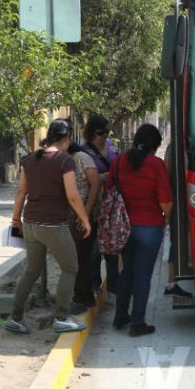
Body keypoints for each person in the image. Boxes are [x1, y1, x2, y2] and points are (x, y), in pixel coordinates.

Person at [5, 119, 91, 335]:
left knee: (31, 270)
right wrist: (85, 219)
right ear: (66, 139)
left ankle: (15, 318)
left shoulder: (30, 159)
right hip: (53, 225)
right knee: (70, 267)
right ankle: (62, 317)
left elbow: (21, 192)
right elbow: (72, 196)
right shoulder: (64, 161)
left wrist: (16, 219)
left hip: (31, 223)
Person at [109, 124, 173, 337]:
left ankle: (120, 316)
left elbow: (109, 190)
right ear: (155, 145)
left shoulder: (118, 162)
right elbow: (165, 201)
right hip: (150, 227)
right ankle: (137, 322)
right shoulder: (156, 165)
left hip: (123, 227)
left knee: (127, 270)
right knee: (143, 274)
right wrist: (167, 219)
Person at [80, 115, 120, 297]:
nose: (104, 136)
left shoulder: (111, 146)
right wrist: (100, 178)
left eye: (106, 132)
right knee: (95, 247)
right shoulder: (84, 151)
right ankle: (95, 281)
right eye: (100, 133)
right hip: (95, 202)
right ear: (92, 132)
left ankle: (113, 281)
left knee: (111, 243)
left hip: (111, 202)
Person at [67, 131, 102, 315]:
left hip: (84, 215)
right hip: (70, 216)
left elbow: (95, 184)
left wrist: (85, 214)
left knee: (79, 257)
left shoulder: (81, 158)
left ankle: (80, 297)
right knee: (79, 257)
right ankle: (85, 296)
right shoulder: (63, 159)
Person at [163, 142, 193, 298]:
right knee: (175, 240)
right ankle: (171, 282)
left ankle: (171, 282)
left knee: (175, 241)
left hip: (178, 199)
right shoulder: (177, 147)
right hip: (177, 200)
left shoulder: (177, 146)